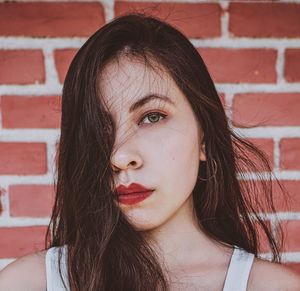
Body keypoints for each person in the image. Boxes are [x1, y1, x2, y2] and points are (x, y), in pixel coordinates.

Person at [0, 13, 299, 291]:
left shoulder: (271, 287)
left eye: (152, 116)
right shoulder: (27, 284)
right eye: (100, 128)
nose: (119, 156)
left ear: (204, 138)